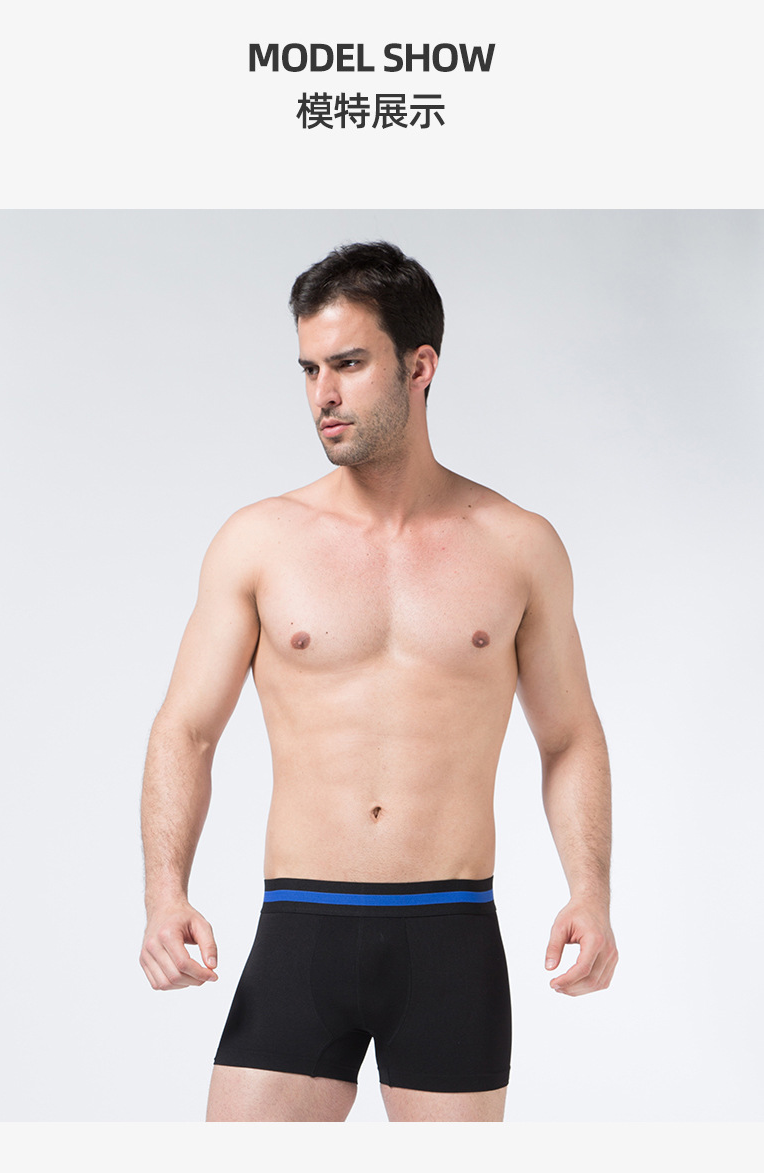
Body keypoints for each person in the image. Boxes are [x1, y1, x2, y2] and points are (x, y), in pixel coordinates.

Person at [139, 241, 618, 1123]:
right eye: (310, 368)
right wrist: (165, 893)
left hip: (451, 934)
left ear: (420, 366)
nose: (323, 393)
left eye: (350, 364)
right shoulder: (259, 542)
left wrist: (590, 889)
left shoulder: (518, 545)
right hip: (301, 928)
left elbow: (569, 736)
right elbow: (186, 729)